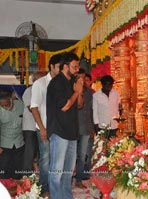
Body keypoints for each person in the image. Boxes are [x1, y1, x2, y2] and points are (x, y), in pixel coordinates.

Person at [47, 52, 84, 199]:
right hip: (59, 132)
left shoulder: (72, 82)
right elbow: (64, 106)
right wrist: (76, 92)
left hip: (72, 132)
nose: (77, 69)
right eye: (74, 67)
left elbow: (79, 105)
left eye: (78, 66)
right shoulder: (56, 83)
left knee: (68, 172)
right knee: (56, 171)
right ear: (65, 67)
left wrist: (79, 91)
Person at [30, 53, 61, 197]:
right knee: (46, 160)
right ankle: (44, 189)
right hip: (45, 128)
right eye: (59, 67)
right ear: (52, 67)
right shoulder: (40, 83)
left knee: (58, 160)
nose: (62, 70)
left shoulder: (63, 83)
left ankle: (55, 187)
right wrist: (42, 129)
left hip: (59, 128)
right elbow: (34, 107)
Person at [22, 71, 46, 174]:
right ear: (35, 80)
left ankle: (39, 174)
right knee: (30, 152)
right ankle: (26, 176)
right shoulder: (29, 91)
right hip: (30, 127)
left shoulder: (44, 90)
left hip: (42, 127)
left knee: (41, 152)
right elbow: (31, 108)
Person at [75, 69, 94, 188]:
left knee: (82, 156)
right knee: (70, 156)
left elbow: (91, 111)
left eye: (83, 78)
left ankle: (78, 180)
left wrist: (92, 128)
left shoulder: (90, 92)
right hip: (71, 128)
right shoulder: (70, 90)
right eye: (79, 78)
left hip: (86, 127)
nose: (82, 81)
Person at [0, 89, 24, 179]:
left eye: (6, 105)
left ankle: (17, 190)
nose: (4, 107)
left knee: (18, 169)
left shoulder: (20, 105)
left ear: (10, 99)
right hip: (4, 144)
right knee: (4, 169)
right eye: (2, 106)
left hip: (19, 143)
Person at [93, 75, 120, 140]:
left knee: (114, 146)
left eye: (111, 85)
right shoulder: (96, 96)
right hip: (102, 127)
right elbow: (95, 112)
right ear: (102, 84)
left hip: (114, 125)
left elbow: (119, 107)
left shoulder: (116, 93)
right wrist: (96, 127)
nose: (109, 87)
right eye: (107, 85)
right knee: (103, 147)